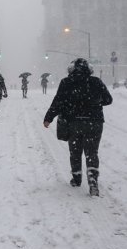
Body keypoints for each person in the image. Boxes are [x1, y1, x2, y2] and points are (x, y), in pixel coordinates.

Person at [42, 58, 112, 197]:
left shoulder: (66, 82)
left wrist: (48, 118)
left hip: (74, 122)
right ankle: (93, 181)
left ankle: (77, 178)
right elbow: (108, 100)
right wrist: (94, 104)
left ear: (71, 69)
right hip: (94, 122)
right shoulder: (96, 82)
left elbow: (58, 102)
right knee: (92, 152)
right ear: (89, 69)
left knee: (75, 151)